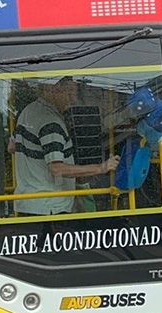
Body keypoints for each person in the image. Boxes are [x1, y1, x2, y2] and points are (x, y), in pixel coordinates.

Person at [11, 78, 119, 216]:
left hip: (27, 202)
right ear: (52, 90)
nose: (73, 99)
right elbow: (56, 168)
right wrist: (101, 167)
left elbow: (12, 147)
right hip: (50, 207)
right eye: (69, 93)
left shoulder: (27, 111)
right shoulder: (51, 123)